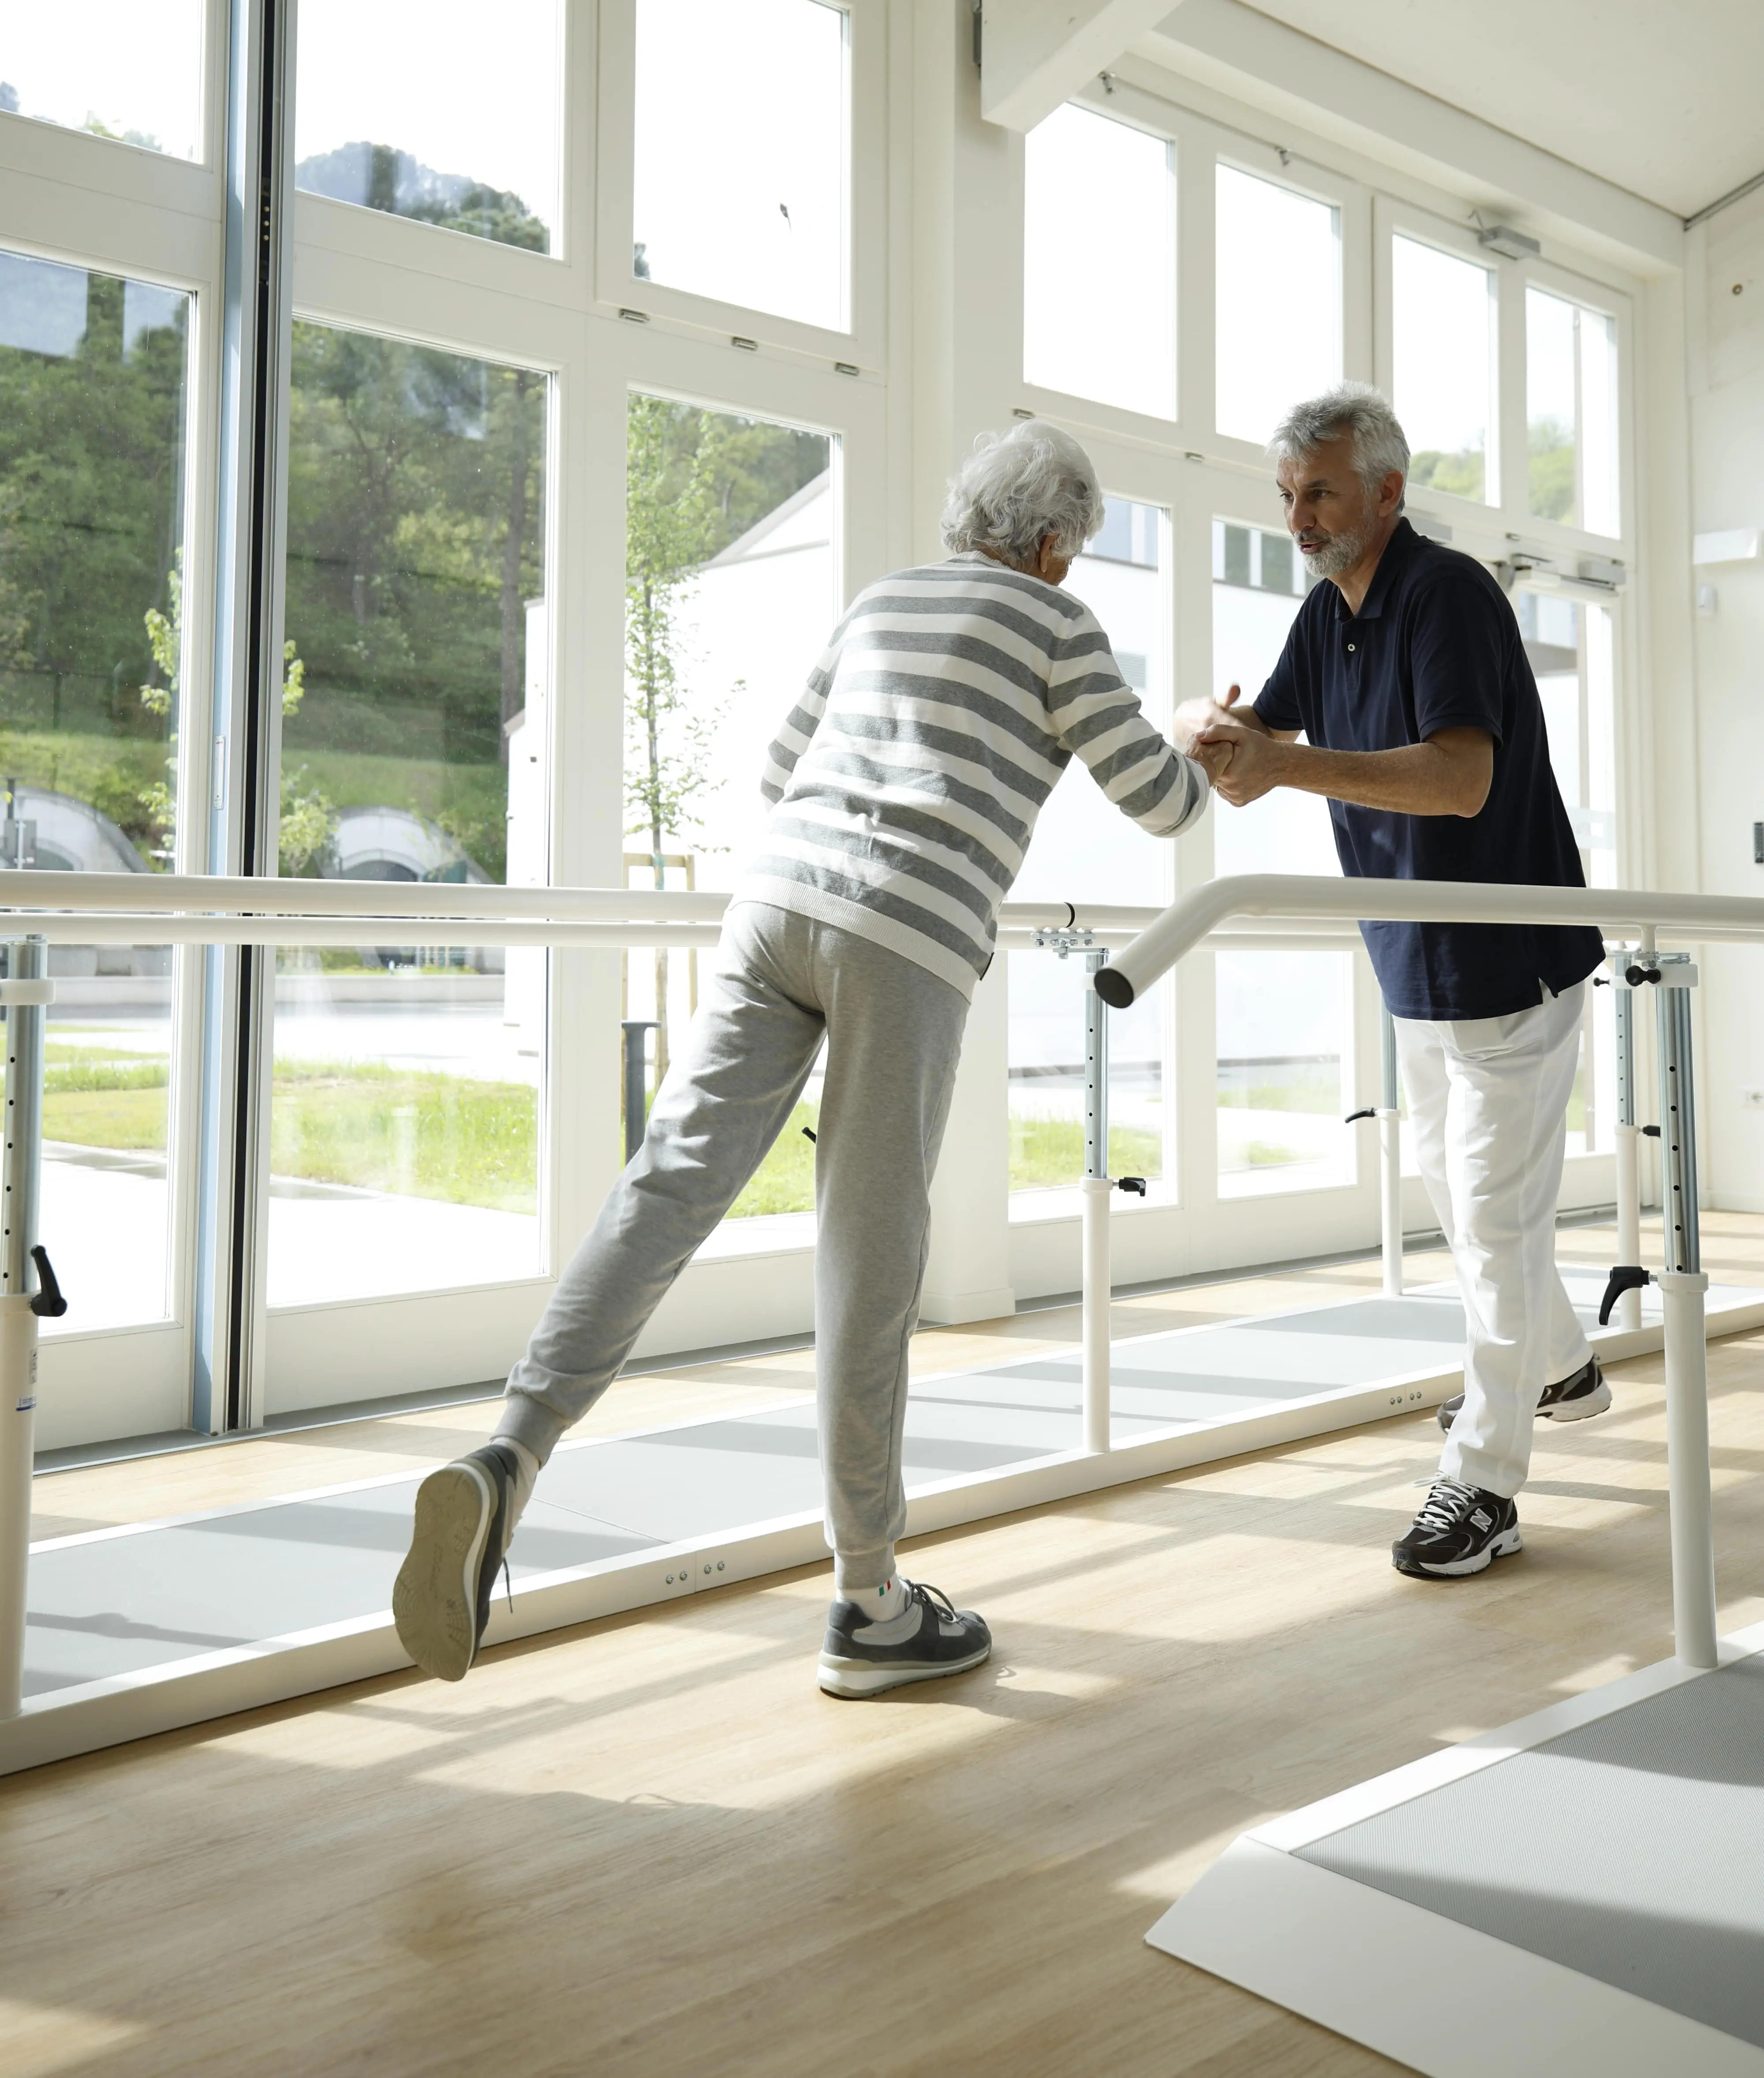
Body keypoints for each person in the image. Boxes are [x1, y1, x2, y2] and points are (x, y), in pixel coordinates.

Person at [395, 420, 1217, 1691]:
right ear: (1055, 543)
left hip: (776, 906)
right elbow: (1161, 801)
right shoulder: (1061, 630)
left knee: (666, 1183)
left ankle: (512, 1447)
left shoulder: (883, 601)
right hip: (908, 933)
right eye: (1079, 547)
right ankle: (869, 1599)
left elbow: (780, 767)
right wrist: (1194, 737)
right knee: (868, 1250)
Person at [1177, 384, 1609, 1583]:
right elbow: (1266, 732)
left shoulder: (1446, 595)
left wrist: (1283, 764)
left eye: (1316, 491)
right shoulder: (1329, 612)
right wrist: (1216, 735)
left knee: (1495, 1215)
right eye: (1286, 495)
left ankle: (1487, 1478)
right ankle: (1558, 1362)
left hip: (1508, 959)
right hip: (1416, 959)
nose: (1298, 516)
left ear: (1386, 490)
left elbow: (1460, 779)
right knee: (1474, 1210)